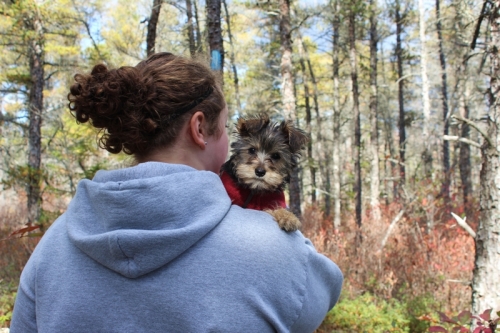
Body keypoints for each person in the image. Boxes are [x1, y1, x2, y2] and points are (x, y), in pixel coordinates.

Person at [10, 52, 343, 333]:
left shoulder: (51, 249)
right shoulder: (272, 246)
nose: (228, 142)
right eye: (225, 128)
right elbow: (323, 291)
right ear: (199, 129)